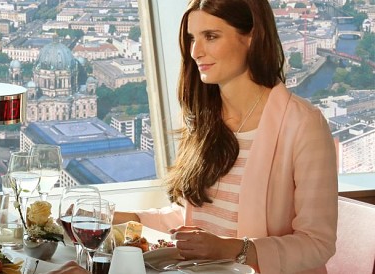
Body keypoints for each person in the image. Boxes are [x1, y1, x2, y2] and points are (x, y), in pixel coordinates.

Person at [113, 0, 337, 273]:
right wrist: (124, 219)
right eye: (192, 38)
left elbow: (317, 244)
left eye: (211, 36)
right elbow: (192, 219)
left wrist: (231, 249)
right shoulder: (204, 120)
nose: (195, 51)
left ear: (252, 37)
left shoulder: (304, 124)